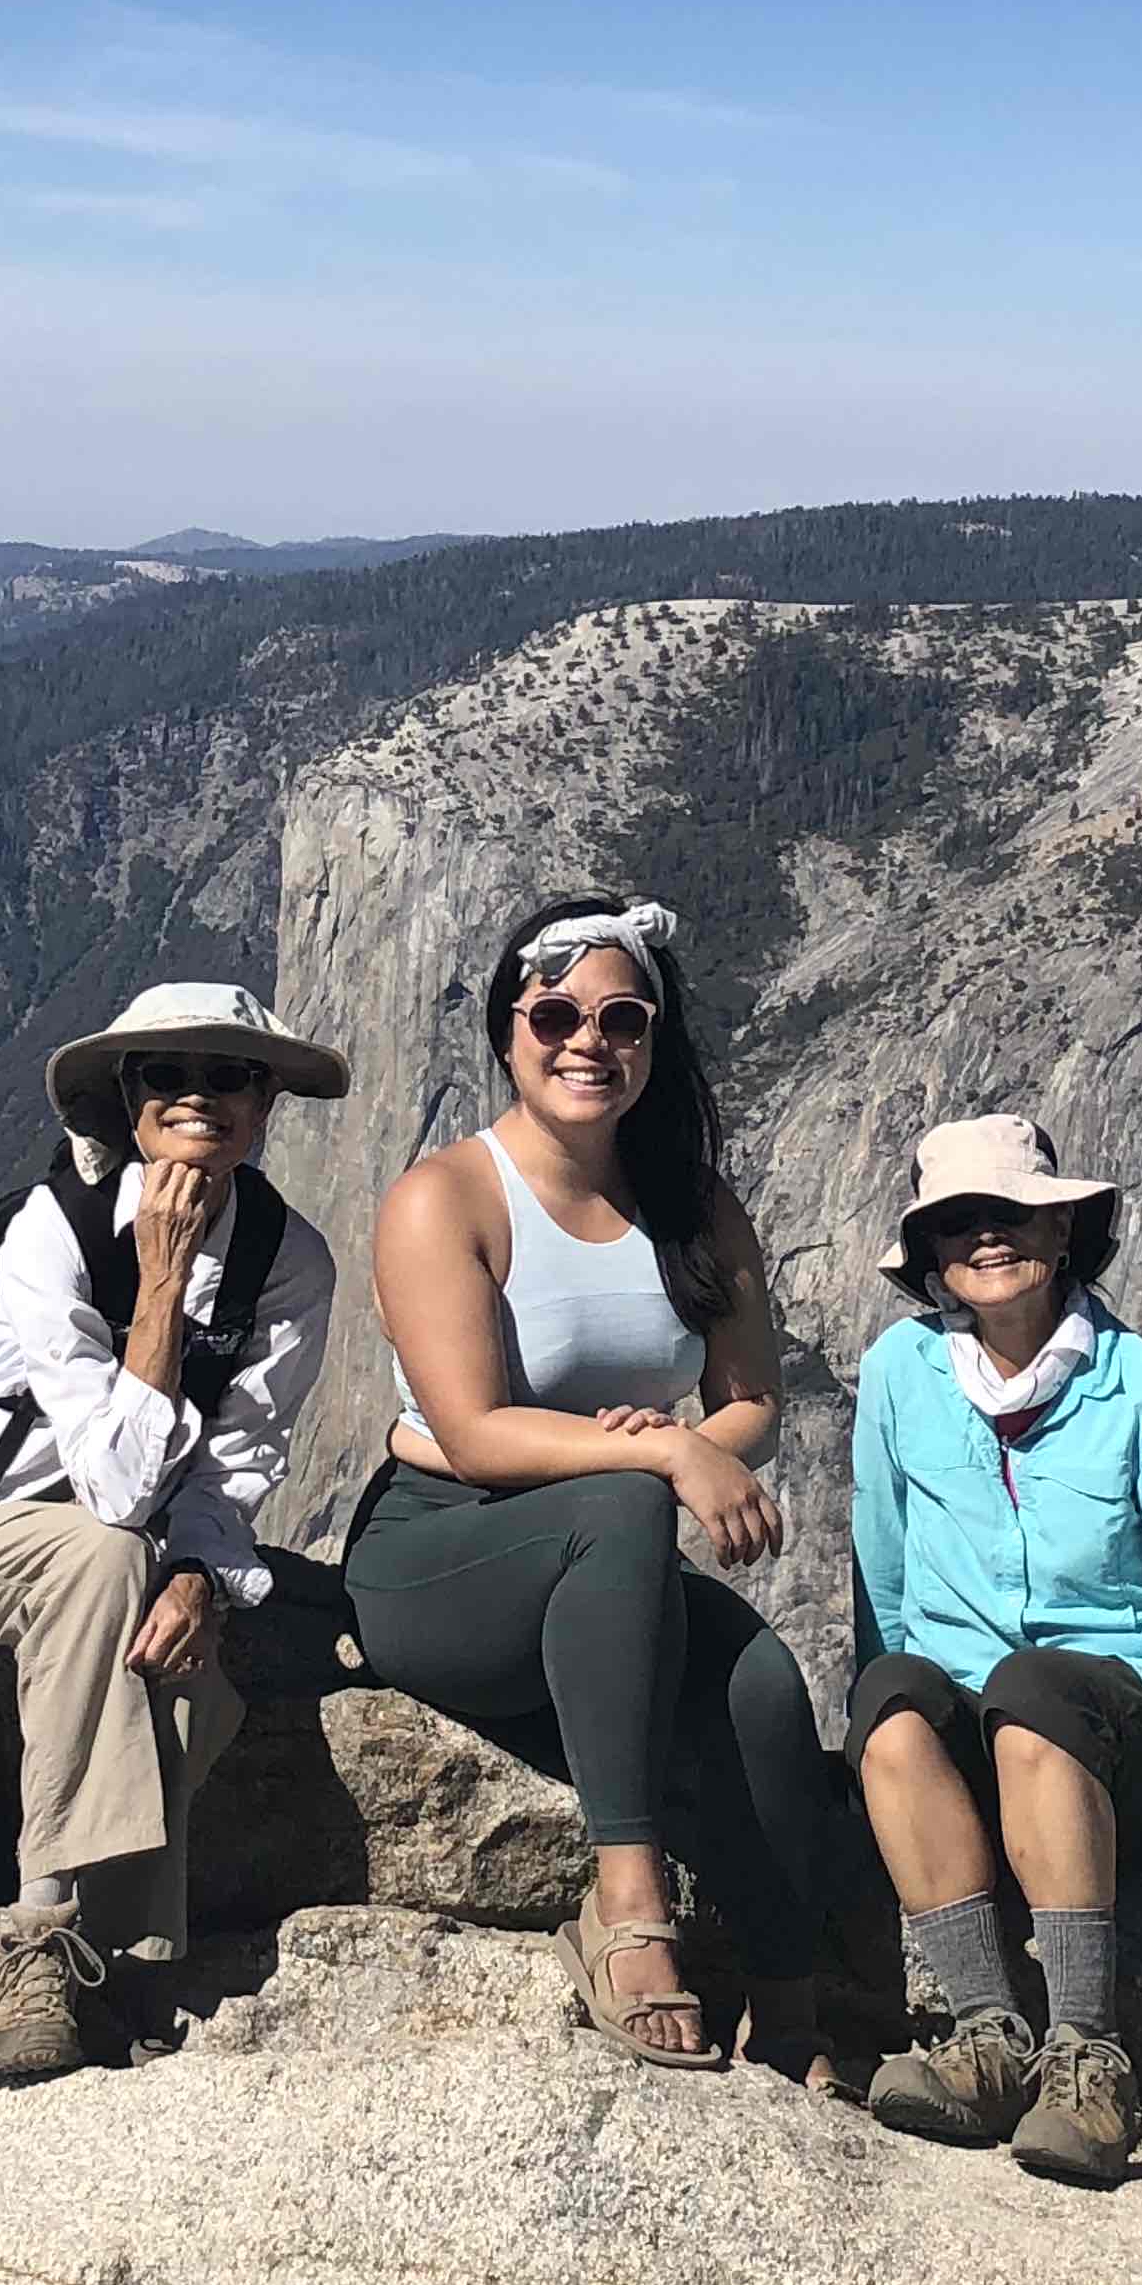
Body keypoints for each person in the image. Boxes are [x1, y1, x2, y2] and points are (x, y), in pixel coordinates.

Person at [345, 895, 853, 2091]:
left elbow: (753, 1403)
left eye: (623, 1018)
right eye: (556, 1014)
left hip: (597, 1557)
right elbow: (470, 1435)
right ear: (508, 1031)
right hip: (439, 1559)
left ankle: (790, 2001)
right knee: (625, 1506)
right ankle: (627, 1899)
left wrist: (693, 1437)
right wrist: (665, 1455)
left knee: (766, 1691)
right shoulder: (446, 1199)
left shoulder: (696, 1208)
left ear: (655, 1040)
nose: (589, 1041)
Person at [0, 981, 345, 2081]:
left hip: (143, 1528)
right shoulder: (53, 1232)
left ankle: (107, 1966)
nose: (200, 1098)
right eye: (167, 1076)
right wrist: (164, 1281)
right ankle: (52, 1935)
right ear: (126, 1102)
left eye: (231, 1076)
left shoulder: (290, 1259)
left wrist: (202, 1578)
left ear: (266, 1102)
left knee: (176, 1643)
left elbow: (241, 1455)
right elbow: (116, 1483)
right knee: (105, 1557)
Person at [844, 1113, 1142, 2187]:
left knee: (1031, 1686)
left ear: (1064, 1237)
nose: (986, 1239)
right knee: (897, 1691)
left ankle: (1089, 2057)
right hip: (985, 1749)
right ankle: (986, 2039)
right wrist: (884, 1755)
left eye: (1013, 1215)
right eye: (958, 1223)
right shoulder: (902, 1374)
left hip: (1117, 1748)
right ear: (931, 1257)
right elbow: (885, 1579)